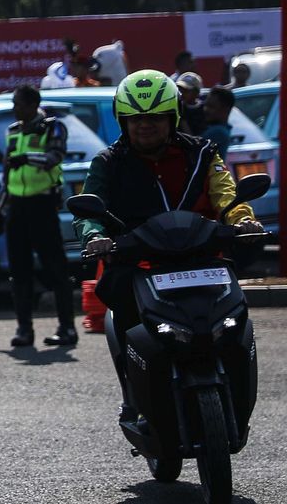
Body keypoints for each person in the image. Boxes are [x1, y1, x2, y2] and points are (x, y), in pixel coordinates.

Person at [75, 69, 262, 421]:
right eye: (136, 119)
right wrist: (95, 236)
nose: (146, 125)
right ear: (123, 120)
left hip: (203, 261)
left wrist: (241, 220)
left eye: (156, 117)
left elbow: (227, 195)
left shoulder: (203, 153)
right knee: (123, 311)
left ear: (172, 116)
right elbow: (89, 209)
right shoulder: (107, 162)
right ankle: (136, 399)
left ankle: (239, 397)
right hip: (140, 266)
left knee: (238, 326)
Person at [0, 85, 76, 348]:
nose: (14, 108)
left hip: (42, 206)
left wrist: (27, 158)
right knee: (19, 271)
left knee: (56, 268)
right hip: (17, 208)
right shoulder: (13, 131)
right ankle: (24, 330)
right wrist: (0, 211)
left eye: (18, 103)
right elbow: (7, 173)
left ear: (33, 105)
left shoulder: (52, 127)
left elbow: (55, 157)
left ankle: (67, 328)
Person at [202, 87, 236, 161]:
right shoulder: (224, 129)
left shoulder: (218, 132)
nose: (205, 109)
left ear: (225, 109)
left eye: (211, 106)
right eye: (206, 105)